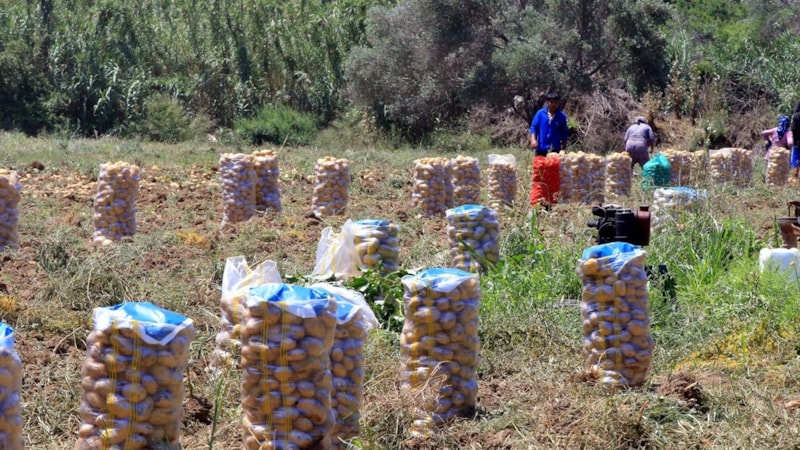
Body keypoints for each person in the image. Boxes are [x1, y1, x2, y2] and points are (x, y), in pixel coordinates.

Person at [530, 92, 569, 156]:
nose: (554, 104)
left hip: (555, 150)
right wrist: (533, 140)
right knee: (539, 165)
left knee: (553, 166)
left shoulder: (562, 116)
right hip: (541, 149)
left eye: (556, 102)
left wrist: (564, 149)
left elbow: (564, 133)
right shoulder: (540, 114)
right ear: (547, 102)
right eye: (551, 102)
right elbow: (534, 127)